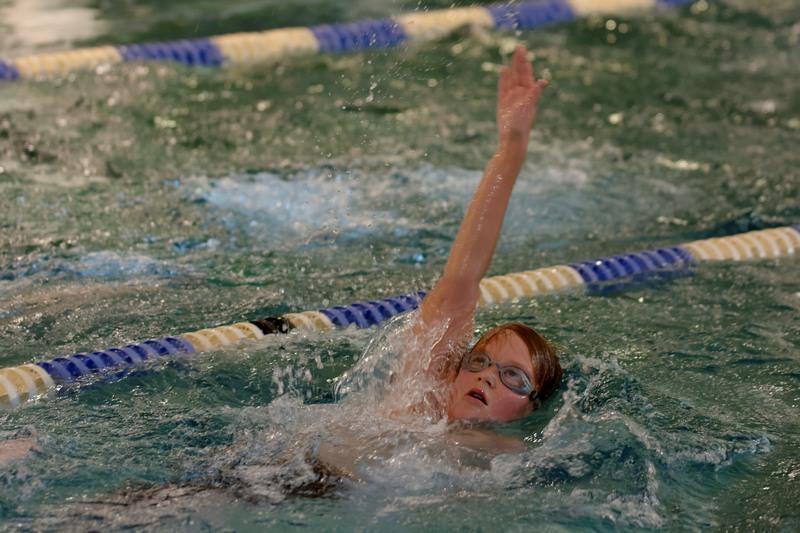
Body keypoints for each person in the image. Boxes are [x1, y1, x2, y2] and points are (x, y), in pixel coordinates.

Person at [399, 44, 563, 424]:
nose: (488, 376)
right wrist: (511, 148)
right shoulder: (421, 403)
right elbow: (461, 279)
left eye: (513, 377)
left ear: (531, 408)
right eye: (479, 361)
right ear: (452, 375)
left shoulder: (512, 456)